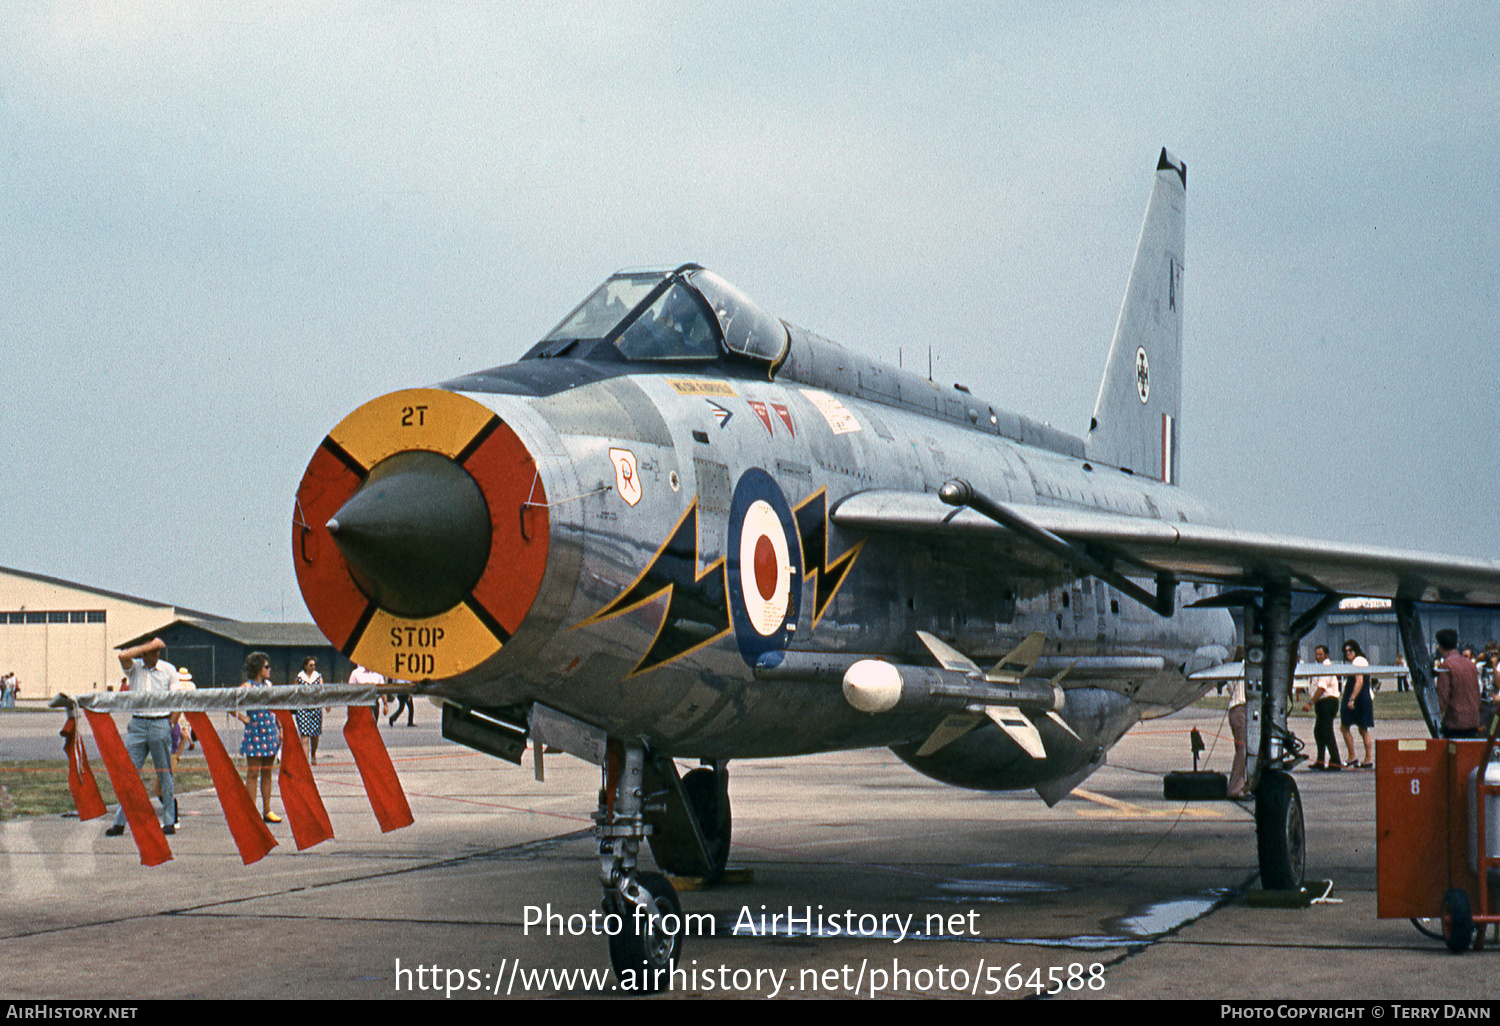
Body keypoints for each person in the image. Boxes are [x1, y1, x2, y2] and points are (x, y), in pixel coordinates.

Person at [104, 638, 180, 837]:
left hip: (159, 722)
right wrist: (148, 646)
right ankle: (120, 822)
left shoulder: (168, 670)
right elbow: (122, 656)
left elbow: (177, 699)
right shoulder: (135, 669)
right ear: (143, 653)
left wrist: (169, 723)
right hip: (138, 724)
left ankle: (169, 820)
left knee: (164, 774)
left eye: (157, 652)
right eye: (151, 652)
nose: (155, 656)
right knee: (129, 774)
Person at [234, 652, 282, 824]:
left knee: (267, 772)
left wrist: (279, 728)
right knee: (253, 772)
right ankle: (251, 811)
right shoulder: (247, 687)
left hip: (270, 731)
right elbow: (230, 703)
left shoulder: (269, 685)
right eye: (266, 667)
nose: (270, 670)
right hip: (254, 732)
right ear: (257, 669)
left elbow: (275, 707)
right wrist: (243, 718)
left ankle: (267, 809)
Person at [1434, 628, 1483, 739]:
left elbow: (1443, 697)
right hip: (1474, 721)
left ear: (1440, 646)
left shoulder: (1446, 666)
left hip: (1455, 723)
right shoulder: (1470, 664)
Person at [1303, 645, 1342, 770]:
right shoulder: (1319, 667)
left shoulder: (1326, 667)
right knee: (1319, 732)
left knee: (1327, 732)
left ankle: (1336, 762)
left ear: (1326, 655)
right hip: (1322, 703)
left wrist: (1310, 702)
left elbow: (1322, 688)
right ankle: (1320, 761)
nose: (1318, 657)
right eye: (1316, 654)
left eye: (1320, 654)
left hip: (1327, 702)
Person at [1339, 640, 1374, 768]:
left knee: (1356, 728)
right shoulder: (1358, 661)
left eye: (1350, 650)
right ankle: (1356, 757)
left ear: (1356, 650)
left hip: (1358, 698)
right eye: (1346, 651)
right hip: (1360, 697)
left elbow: (1359, 681)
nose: (1348, 653)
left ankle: (1362, 757)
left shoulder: (1358, 661)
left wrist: (1352, 699)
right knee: (1358, 728)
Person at [294, 657, 330, 765]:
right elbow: (295, 692)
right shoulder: (299, 677)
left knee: (315, 734)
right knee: (304, 736)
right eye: (310, 665)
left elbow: (322, 691)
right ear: (305, 666)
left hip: (315, 708)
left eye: (314, 665)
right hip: (303, 709)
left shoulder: (318, 677)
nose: (313, 667)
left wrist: (326, 704)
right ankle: (305, 761)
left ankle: (313, 754)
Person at [1227, 673, 1248, 797]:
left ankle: (1244, 785)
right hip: (1240, 708)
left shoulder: (1233, 670)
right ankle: (1235, 788)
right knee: (1242, 750)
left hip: (1238, 710)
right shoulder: (1241, 669)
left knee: (1244, 749)